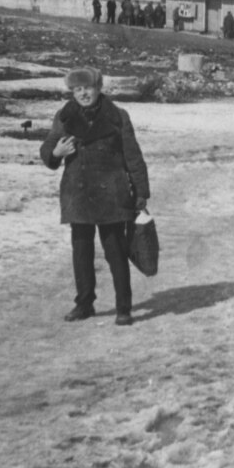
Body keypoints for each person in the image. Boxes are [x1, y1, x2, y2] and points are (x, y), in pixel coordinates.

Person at [39, 67, 150, 326]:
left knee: (115, 251)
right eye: (77, 89)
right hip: (78, 193)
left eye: (87, 88)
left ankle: (124, 308)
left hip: (111, 193)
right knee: (81, 251)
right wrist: (55, 152)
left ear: (99, 88)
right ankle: (84, 304)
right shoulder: (64, 116)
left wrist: (141, 192)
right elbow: (47, 147)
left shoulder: (117, 116)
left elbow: (133, 156)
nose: (83, 94)